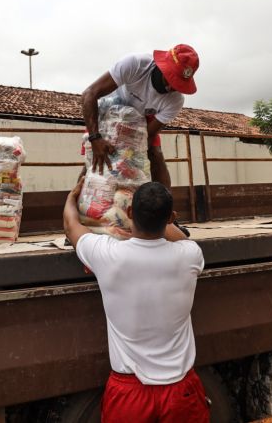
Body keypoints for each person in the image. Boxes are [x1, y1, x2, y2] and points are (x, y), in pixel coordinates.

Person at [63, 179, 209, 423]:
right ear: (171, 216)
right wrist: (166, 220)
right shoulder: (190, 256)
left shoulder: (108, 255)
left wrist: (72, 197)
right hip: (180, 392)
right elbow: (180, 237)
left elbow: (71, 225)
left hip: (128, 394)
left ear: (130, 212)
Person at [82, 44, 200, 189]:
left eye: (180, 83)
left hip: (141, 120)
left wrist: (130, 158)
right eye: (172, 79)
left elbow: (148, 135)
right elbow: (89, 94)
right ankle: (75, 201)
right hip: (109, 113)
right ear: (164, 67)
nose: (174, 87)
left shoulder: (176, 101)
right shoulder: (135, 64)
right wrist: (95, 138)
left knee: (156, 154)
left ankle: (165, 207)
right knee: (94, 159)